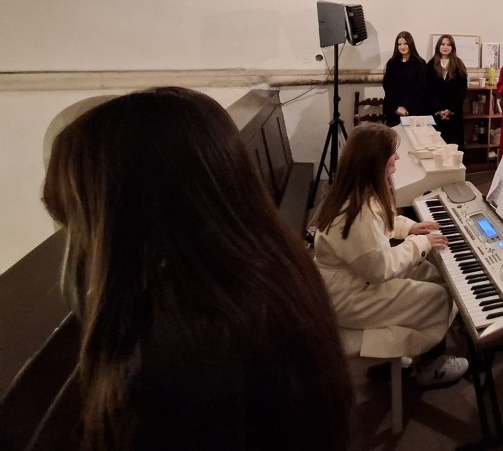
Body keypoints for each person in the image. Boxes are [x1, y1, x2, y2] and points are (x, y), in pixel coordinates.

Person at [41, 87, 352, 451]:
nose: (76, 242)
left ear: (126, 216)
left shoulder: (184, 344)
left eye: (77, 219)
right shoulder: (270, 267)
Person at [312, 123, 469, 386]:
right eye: (392, 154)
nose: (397, 158)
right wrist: (421, 243)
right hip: (349, 296)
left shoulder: (353, 191)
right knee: (438, 297)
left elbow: (380, 223)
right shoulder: (359, 212)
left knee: (430, 273)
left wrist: (410, 228)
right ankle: (428, 367)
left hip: (352, 279)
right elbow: (380, 268)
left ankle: (414, 352)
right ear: (375, 162)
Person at [426, 34, 469, 149]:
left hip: (454, 114)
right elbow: (428, 90)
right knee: (437, 147)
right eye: (443, 44)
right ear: (438, 46)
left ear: (452, 47)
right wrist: (438, 110)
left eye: (449, 45)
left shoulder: (459, 64)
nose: (445, 47)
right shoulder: (430, 65)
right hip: (436, 114)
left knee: (454, 146)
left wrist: (450, 109)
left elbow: (462, 90)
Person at [383, 31, 428, 127]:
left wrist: (404, 105)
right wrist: (396, 107)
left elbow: (420, 88)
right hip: (393, 108)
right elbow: (387, 86)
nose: (402, 47)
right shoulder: (392, 63)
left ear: (411, 44)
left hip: (413, 108)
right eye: (399, 44)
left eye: (405, 43)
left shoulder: (420, 63)